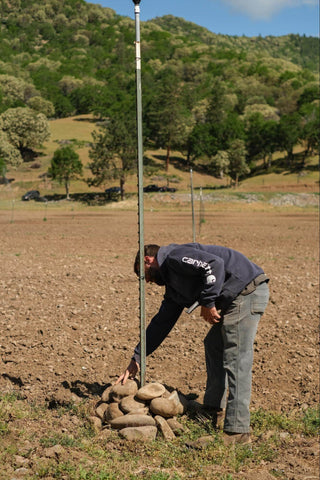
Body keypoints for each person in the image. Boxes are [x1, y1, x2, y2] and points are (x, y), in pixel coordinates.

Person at [117, 243, 269, 446]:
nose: (149, 282)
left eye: (144, 275)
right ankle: (213, 410)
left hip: (246, 292)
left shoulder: (174, 257)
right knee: (214, 345)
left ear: (147, 260)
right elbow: (161, 323)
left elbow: (213, 264)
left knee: (236, 358)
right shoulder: (174, 284)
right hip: (236, 297)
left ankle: (237, 432)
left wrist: (208, 301)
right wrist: (138, 356)